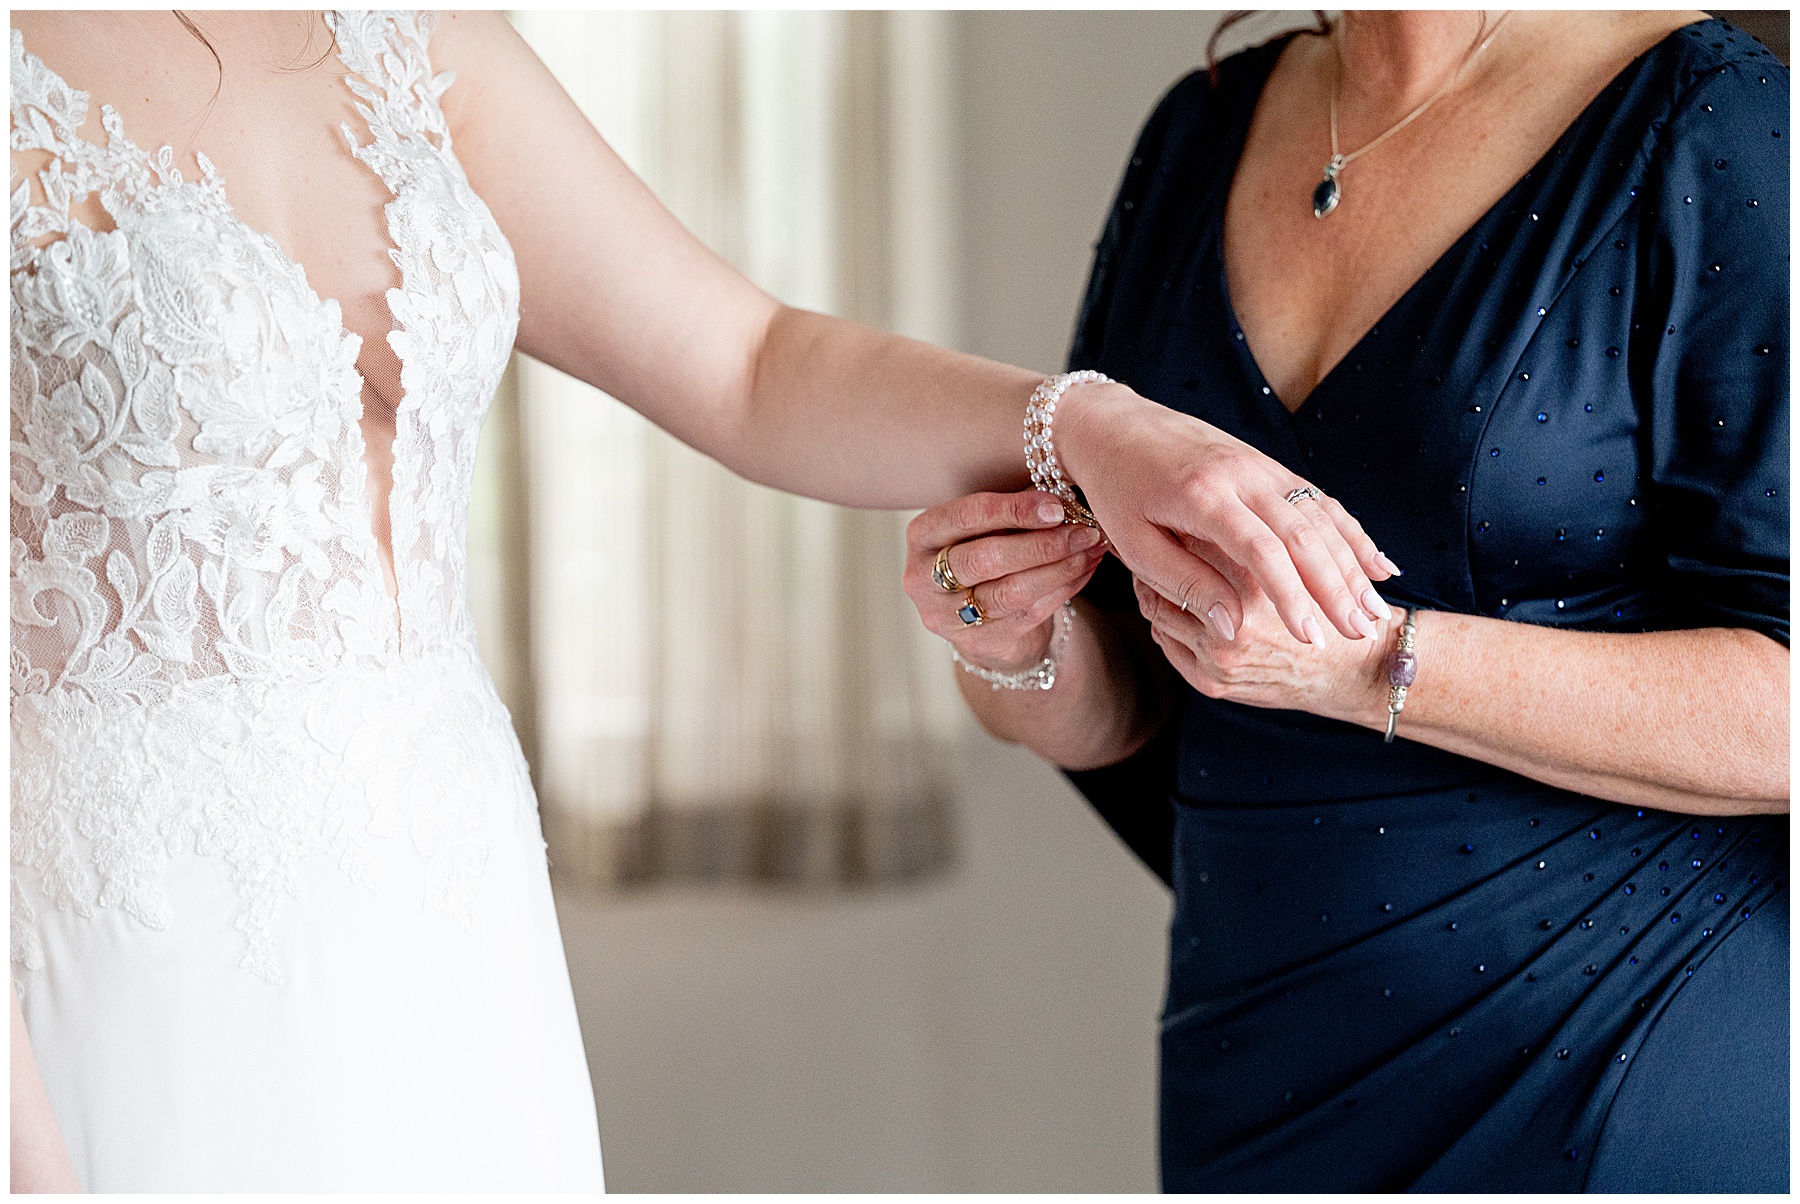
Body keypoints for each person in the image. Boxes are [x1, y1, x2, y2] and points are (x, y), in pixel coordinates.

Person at [6, 9, 1405, 1193]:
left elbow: (746, 363)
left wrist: (1087, 427)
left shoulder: (404, 28)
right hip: (135, 948)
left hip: (445, 919)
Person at [904, 9, 1788, 1192]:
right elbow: (1141, 697)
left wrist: (1366, 661)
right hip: (1258, 1067)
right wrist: (1016, 638)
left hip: (1624, 1059)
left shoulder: (1715, 124)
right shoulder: (1195, 133)